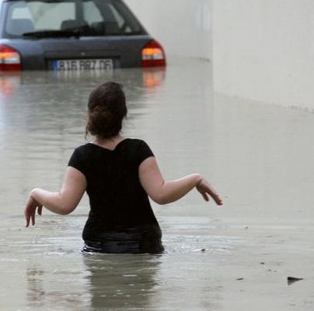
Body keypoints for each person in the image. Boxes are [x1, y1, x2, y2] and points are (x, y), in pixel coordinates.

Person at [24, 81, 222, 254]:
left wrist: (35, 192)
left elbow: (64, 204)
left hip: (100, 248)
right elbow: (161, 194)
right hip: (145, 245)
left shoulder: (82, 156)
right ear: (123, 115)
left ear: (90, 114)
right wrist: (195, 178)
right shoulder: (138, 149)